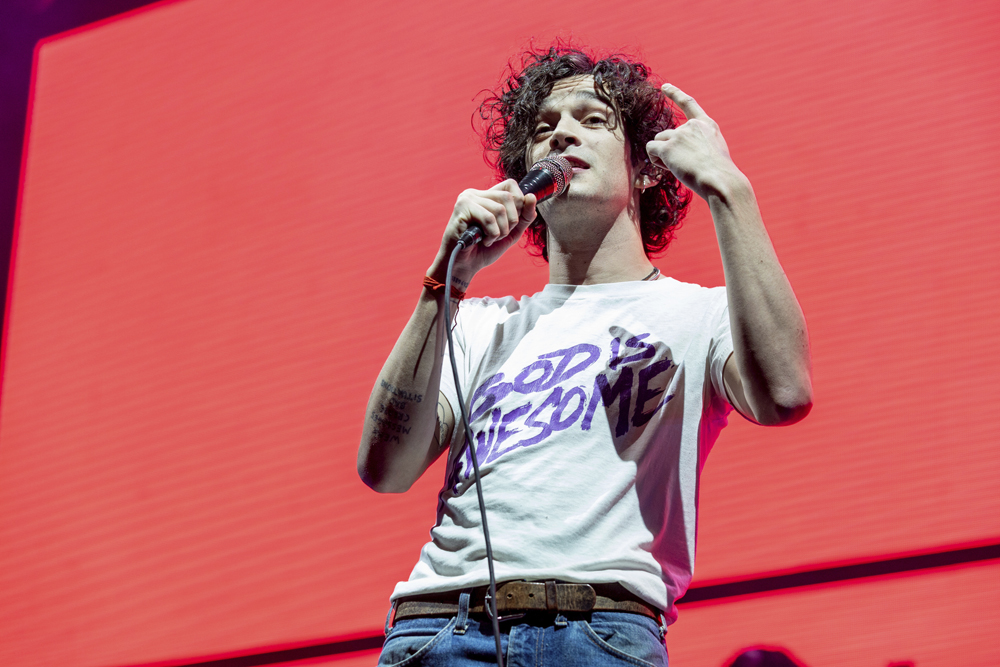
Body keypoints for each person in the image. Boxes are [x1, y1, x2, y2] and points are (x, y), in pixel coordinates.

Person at [358, 44, 813, 666]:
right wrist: (447, 280)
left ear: (647, 167)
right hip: (440, 628)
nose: (561, 133)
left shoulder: (698, 314)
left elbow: (785, 393)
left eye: (592, 120)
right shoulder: (482, 325)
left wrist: (728, 189)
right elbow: (384, 468)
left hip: (599, 633)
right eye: (543, 128)